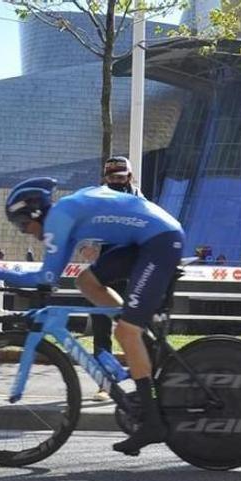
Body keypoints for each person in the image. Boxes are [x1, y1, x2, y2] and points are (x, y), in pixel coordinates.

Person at [0, 177, 184, 456]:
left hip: (159, 242)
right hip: (148, 240)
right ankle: (142, 340)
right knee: (86, 281)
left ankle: (152, 423)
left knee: (126, 332)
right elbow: (51, 279)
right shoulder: (64, 217)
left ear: (34, 213)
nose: (24, 231)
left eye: (22, 224)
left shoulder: (60, 217)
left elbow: (45, 277)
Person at [88, 156, 144, 402]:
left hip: (131, 271)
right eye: (111, 177)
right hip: (104, 269)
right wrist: (86, 245)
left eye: (121, 177)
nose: (116, 181)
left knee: (133, 328)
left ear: (129, 177)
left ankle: (144, 382)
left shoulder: (139, 200)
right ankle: (104, 382)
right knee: (101, 329)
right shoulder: (99, 199)